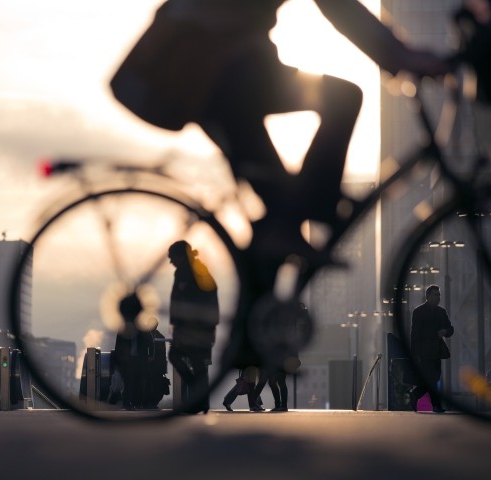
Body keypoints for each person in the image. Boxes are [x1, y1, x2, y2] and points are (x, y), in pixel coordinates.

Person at [111, 0, 451, 268]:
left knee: (278, 220)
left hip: (212, 76)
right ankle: (317, 206)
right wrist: (402, 56)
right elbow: (339, 8)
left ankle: (250, 341)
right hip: (208, 74)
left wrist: (399, 56)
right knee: (343, 99)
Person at [168, 240, 219, 414]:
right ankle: (201, 401)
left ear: (180, 256)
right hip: (204, 326)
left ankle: (198, 397)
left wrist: (178, 323)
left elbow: (180, 300)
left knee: (176, 356)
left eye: (172, 257)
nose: (170, 261)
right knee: (200, 366)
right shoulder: (199, 269)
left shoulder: (184, 272)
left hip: (191, 327)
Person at [409, 285, 454, 413]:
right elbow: (415, 334)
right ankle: (436, 405)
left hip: (437, 351)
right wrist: (414, 354)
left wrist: (445, 331)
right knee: (432, 378)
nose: (438, 297)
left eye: (439, 295)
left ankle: (415, 394)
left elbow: (450, 329)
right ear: (427, 296)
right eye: (435, 295)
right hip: (424, 352)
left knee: (434, 377)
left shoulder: (441, 312)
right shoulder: (419, 311)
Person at [112, 293, 149, 410]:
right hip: (128, 360)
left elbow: (119, 345)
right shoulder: (135, 329)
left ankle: (132, 403)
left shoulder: (138, 330)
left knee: (135, 382)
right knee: (129, 382)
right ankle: (128, 403)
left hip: (134, 359)